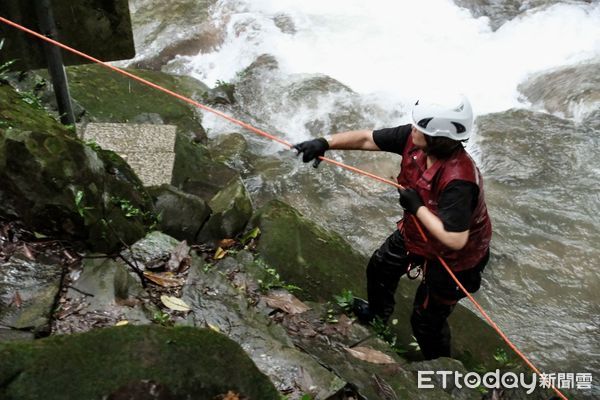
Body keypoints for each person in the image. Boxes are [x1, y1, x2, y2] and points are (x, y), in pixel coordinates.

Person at [293, 95, 492, 360]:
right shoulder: (413, 140)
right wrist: (325, 143)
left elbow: (455, 239)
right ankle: (377, 315)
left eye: (420, 126)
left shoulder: (460, 180)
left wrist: (417, 206)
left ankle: (441, 369)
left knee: (425, 322)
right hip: (416, 234)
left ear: (437, 137)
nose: (412, 128)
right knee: (380, 268)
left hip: (455, 259)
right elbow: (367, 139)